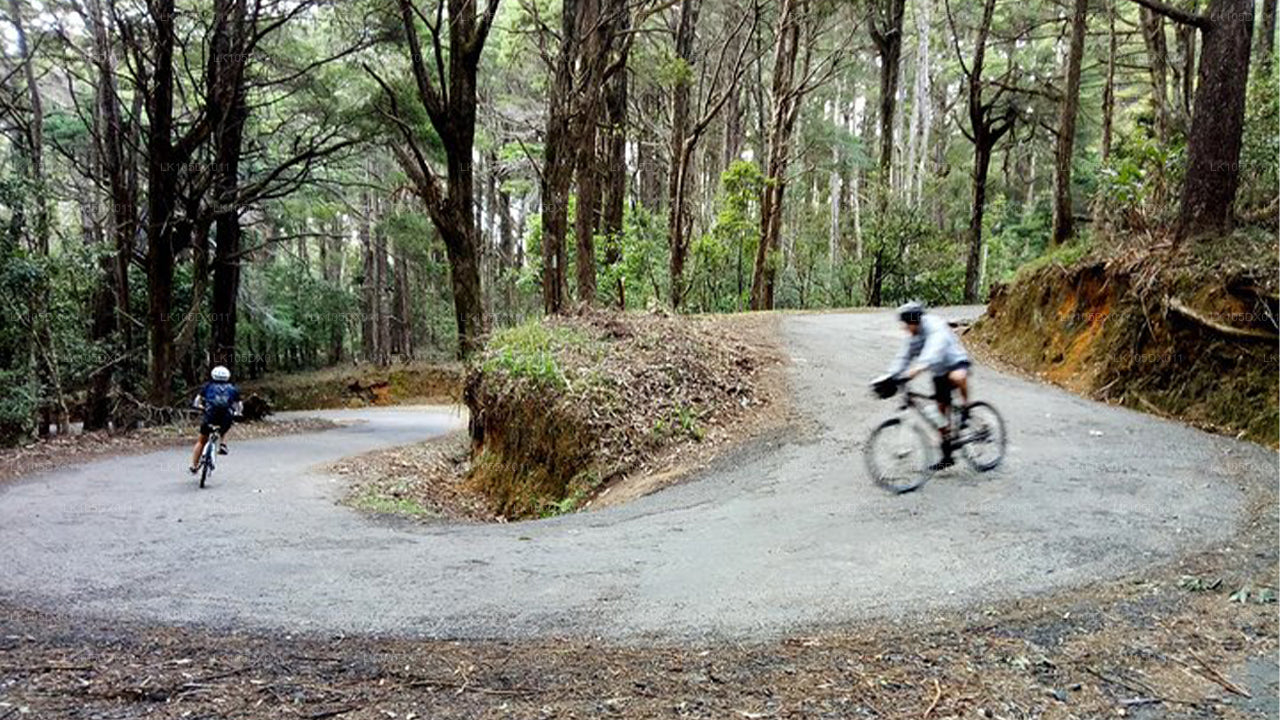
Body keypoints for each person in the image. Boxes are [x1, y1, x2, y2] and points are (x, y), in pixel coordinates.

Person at [886, 301, 971, 469]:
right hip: (939, 372)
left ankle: (967, 408)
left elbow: (934, 349)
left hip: (955, 362)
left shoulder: (934, 326)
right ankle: (947, 455)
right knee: (940, 417)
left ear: (914, 320)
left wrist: (918, 368)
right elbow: (903, 357)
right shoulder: (913, 337)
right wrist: (890, 376)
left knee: (956, 377)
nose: (904, 327)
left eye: (906, 323)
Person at [189, 365, 243, 474]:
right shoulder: (233, 389)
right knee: (224, 427)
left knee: (201, 441)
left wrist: (200, 407)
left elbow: (197, 401)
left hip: (210, 416)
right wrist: (238, 413)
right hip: (225, 417)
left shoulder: (208, 386)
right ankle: (222, 444)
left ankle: (194, 466)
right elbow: (239, 405)